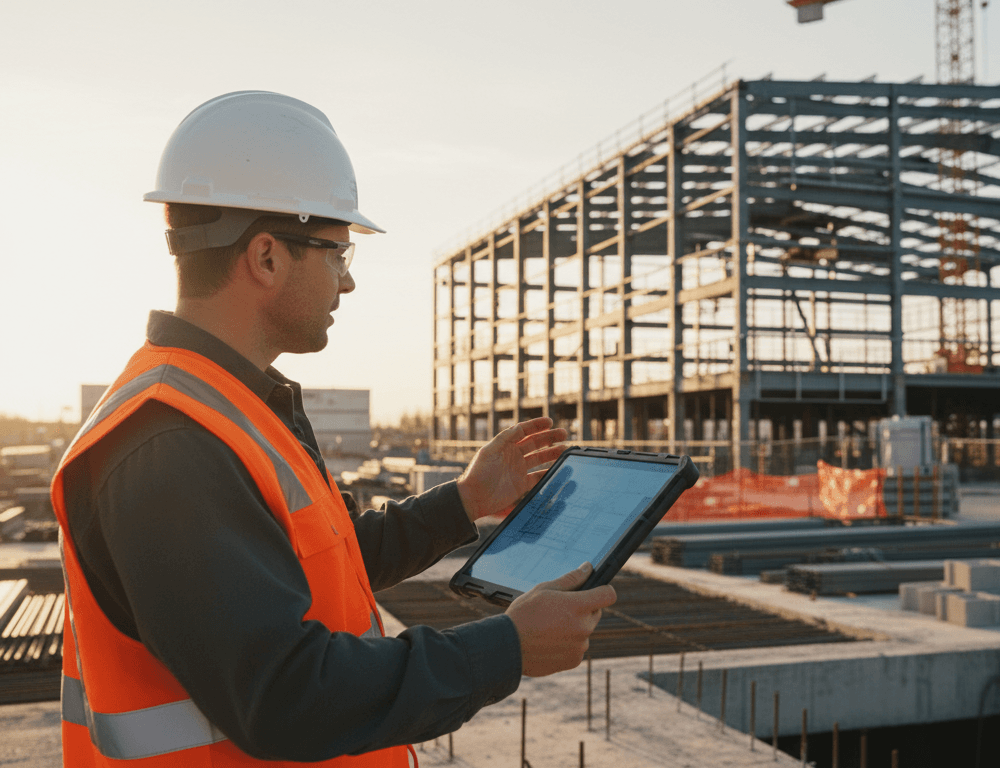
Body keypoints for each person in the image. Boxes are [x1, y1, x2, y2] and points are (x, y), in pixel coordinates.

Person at [50, 91, 617, 767]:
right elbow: (285, 696)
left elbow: (323, 565)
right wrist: (505, 648)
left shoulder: (229, 408)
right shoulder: (171, 446)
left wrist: (463, 501)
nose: (346, 284)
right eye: (337, 254)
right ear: (265, 257)